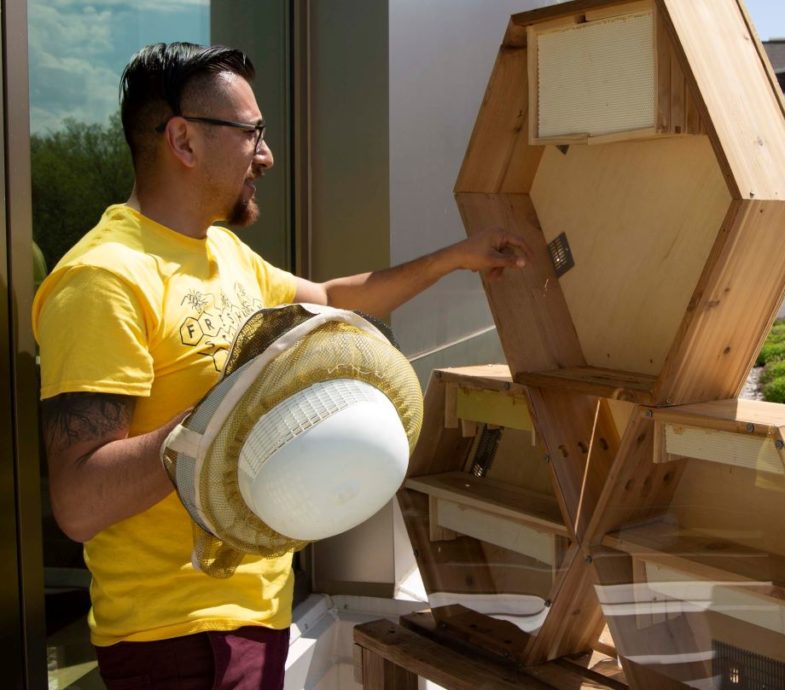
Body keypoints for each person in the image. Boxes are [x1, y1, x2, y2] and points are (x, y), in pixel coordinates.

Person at [32, 42, 528, 690]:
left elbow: (330, 299)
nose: (265, 156)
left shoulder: (227, 256)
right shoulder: (103, 278)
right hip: (177, 641)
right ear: (183, 140)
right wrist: (230, 414)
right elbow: (77, 501)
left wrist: (453, 259)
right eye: (251, 134)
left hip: (261, 617)